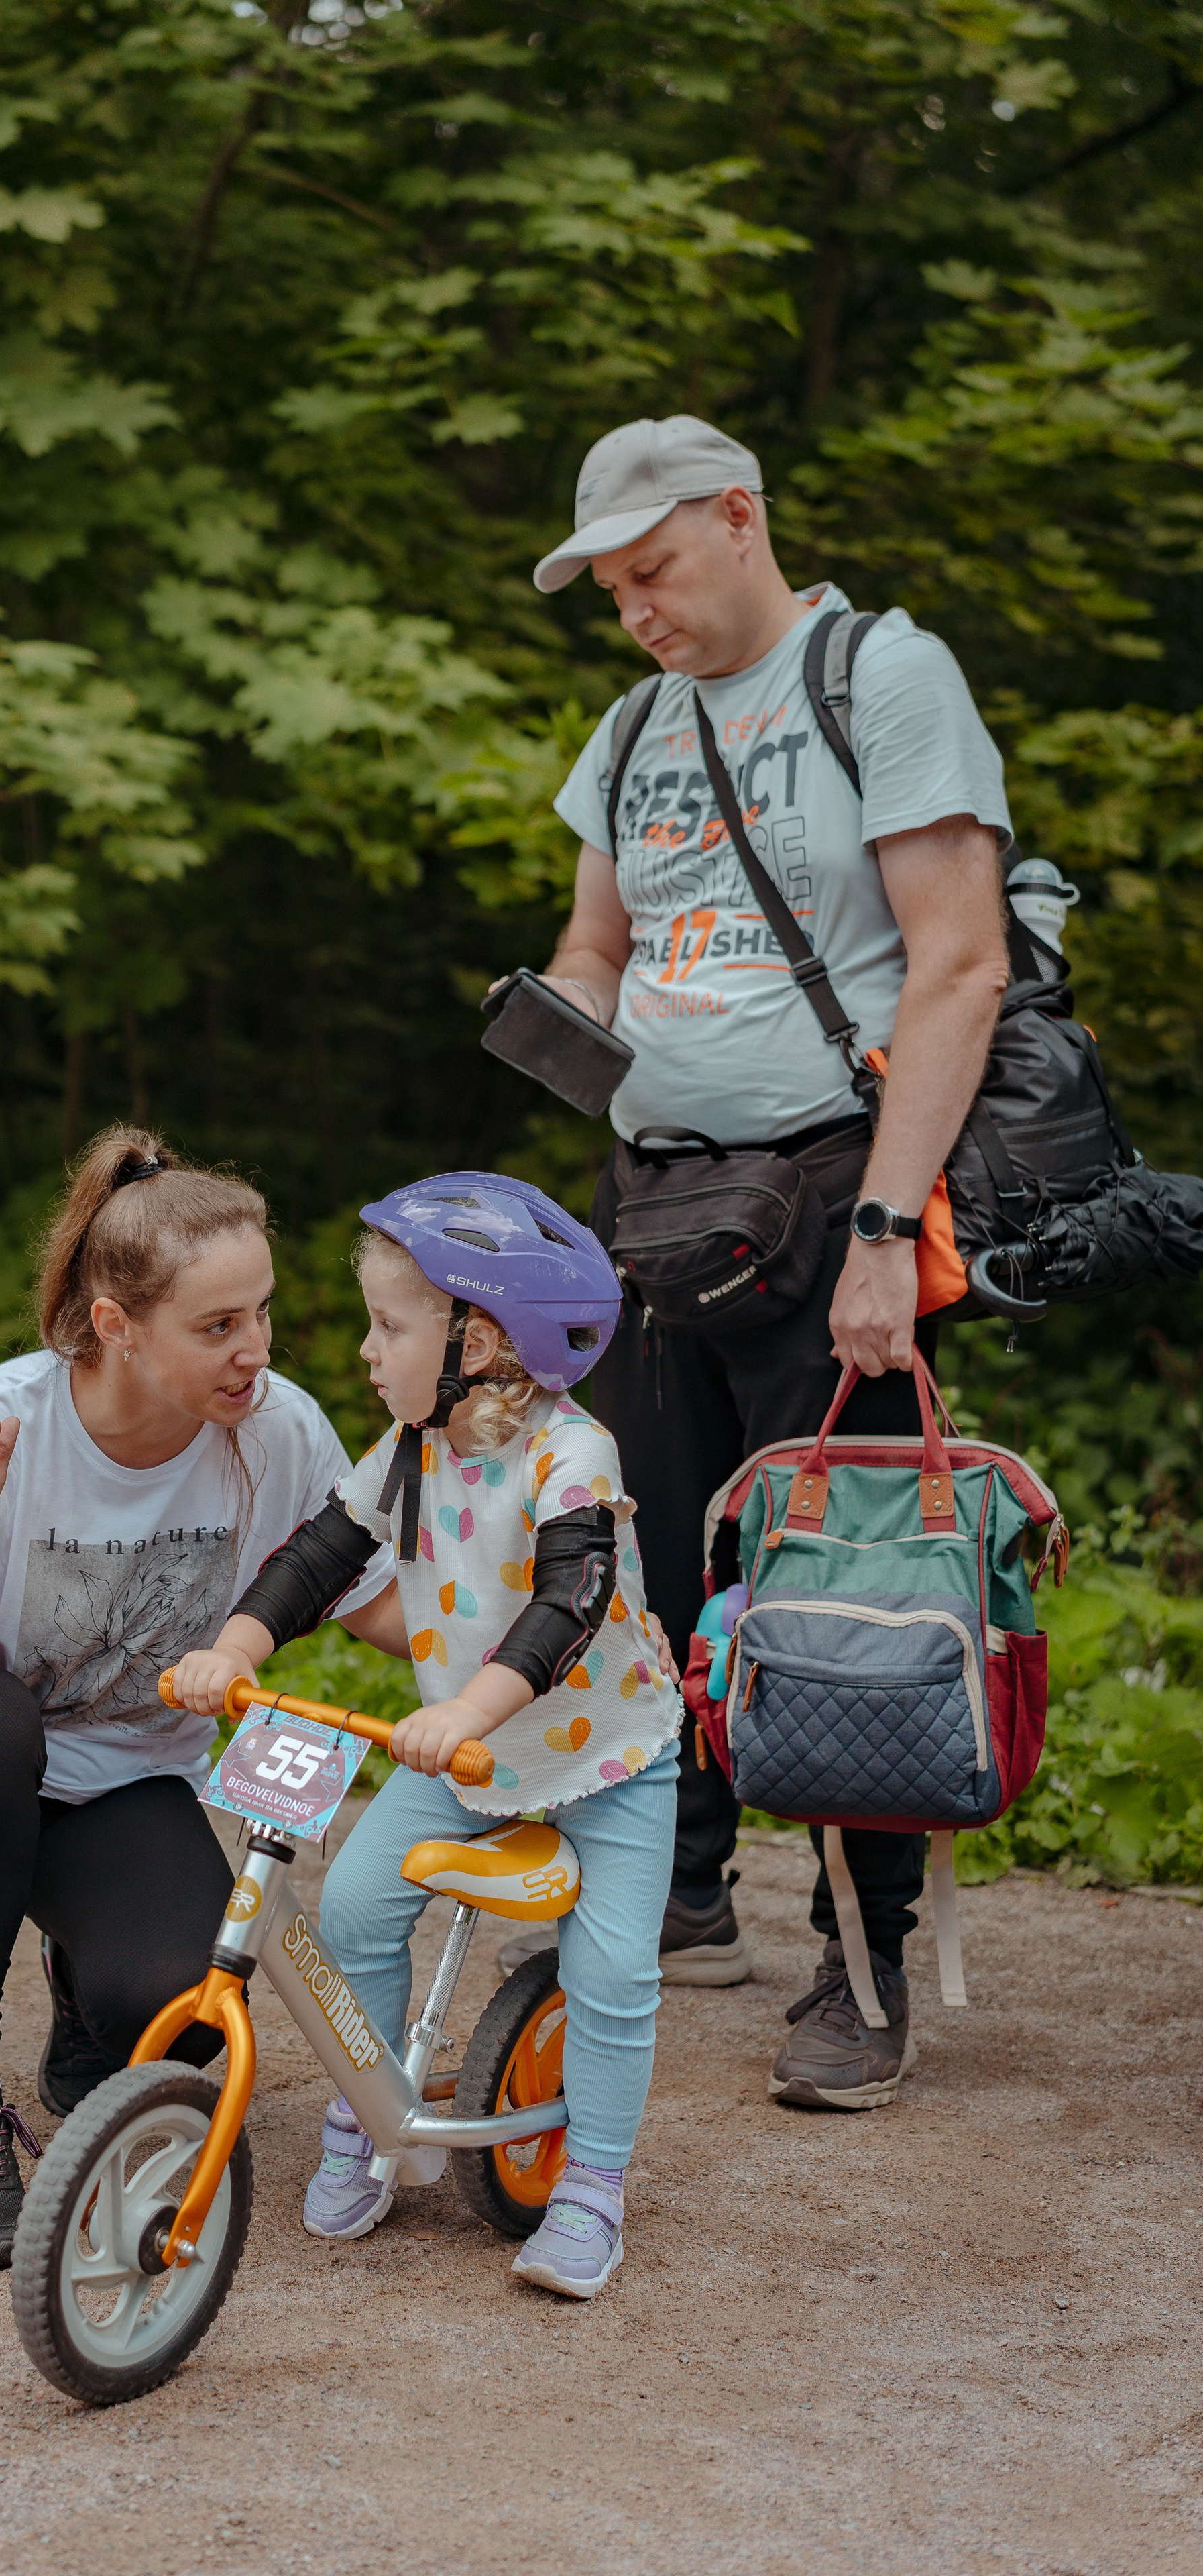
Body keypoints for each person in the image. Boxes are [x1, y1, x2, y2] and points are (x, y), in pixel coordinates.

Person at [518, 413, 1011, 2109]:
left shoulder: (879, 677)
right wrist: (558, 1021)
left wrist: (885, 1230)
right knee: (641, 1573)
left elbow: (956, 968)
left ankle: (859, 1968)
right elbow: (600, 944)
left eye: (653, 572)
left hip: (828, 1195)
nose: (634, 611)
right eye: (608, 589)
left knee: (844, 1590)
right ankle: (676, 1890)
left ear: (738, 520)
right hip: (651, 1207)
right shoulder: (630, 725)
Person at [0, 1125, 394, 2267]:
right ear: (116, 1327)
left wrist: (549, 1620)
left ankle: (83, 1999)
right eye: (217, 1326)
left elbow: (383, 1609)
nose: (253, 1351)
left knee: (181, 2005)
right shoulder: (4, 1424)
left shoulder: (276, 1433)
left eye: (262, 1313)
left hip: (116, 1781)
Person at [169, 1173, 683, 2300]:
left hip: (606, 1753)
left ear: (481, 1339)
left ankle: (594, 2184)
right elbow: (321, 1554)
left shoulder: (571, 1454)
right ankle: (369, 2115)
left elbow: (571, 1597)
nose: (365, 1350)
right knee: (351, 1907)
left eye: (389, 1326)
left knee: (611, 1967)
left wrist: (464, 1705)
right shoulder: (409, 1446)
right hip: (466, 1753)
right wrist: (241, 1643)